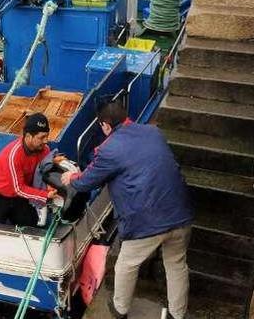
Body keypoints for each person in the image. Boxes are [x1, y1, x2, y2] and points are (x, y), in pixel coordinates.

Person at [62, 101, 193, 319]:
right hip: (180, 213)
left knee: (126, 265)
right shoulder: (153, 132)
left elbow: (88, 181)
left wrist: (71, 177)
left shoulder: (109, 149)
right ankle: (177, 314)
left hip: (146, 221)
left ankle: (120, 309)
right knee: (177, 264)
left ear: (105, 125)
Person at [0, 112, 58, 226]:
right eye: (41, 137)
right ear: (28, 136)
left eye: (47, 136)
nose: (46, 141)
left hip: (18, 197)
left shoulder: (44, 149)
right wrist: (45, 195)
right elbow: (18, 189)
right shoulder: (13, 156)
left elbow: (44, 172)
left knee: (30, 225)